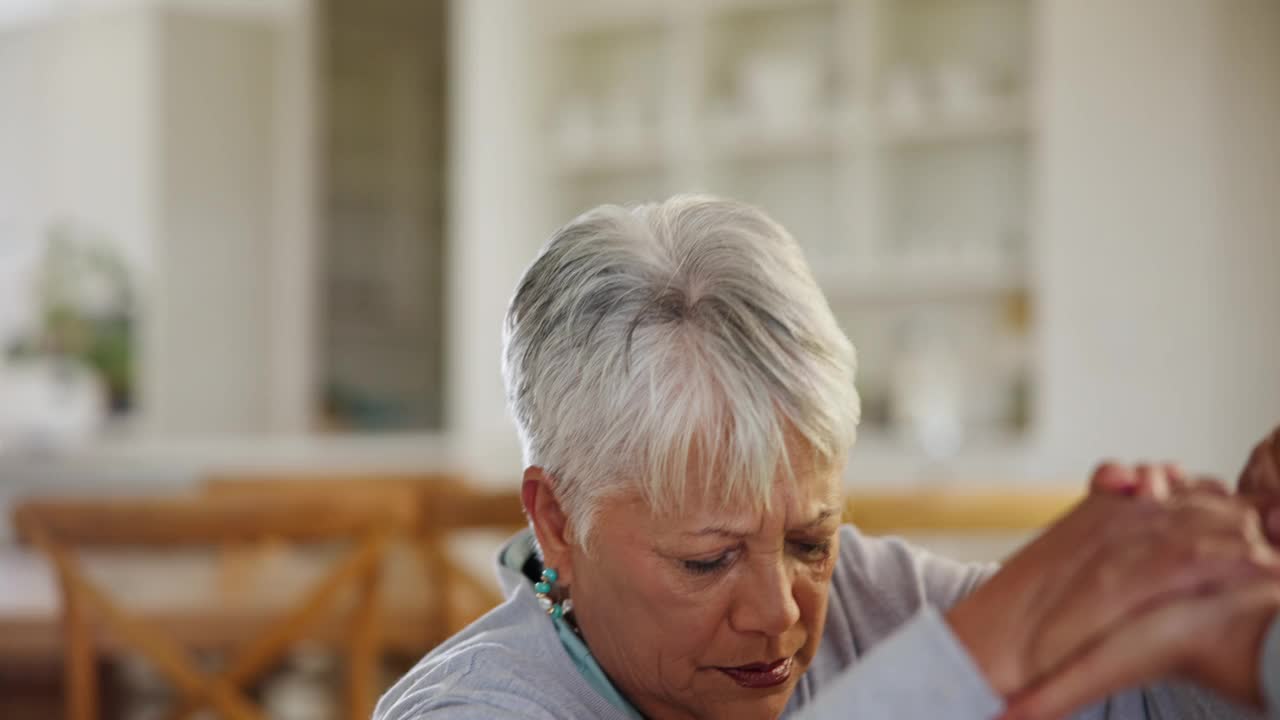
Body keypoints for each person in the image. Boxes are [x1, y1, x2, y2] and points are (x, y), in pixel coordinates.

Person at [375, 196, 1280, 719]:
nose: (780, 616)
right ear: (557, 520)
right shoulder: (473, 709)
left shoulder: (876, 602)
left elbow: (1168, 701)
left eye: (811, 539)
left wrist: (1244, 594)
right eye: (709, 558)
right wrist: (989, 649)